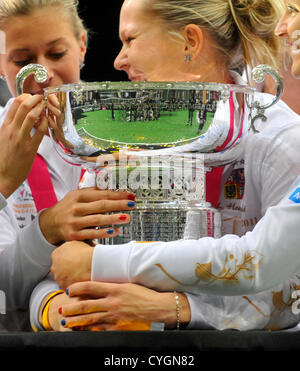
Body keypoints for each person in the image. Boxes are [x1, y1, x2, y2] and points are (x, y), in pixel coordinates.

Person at [31, 0, 300, 332]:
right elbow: (68, 266)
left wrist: (180, 308)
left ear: (189, 41)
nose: (118, 60)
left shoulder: (276, 134)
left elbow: (291, 290)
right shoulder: (126, 138)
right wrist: (54, 306)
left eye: (130, 40)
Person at [0, 0, 138, 331]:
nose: (42, 74)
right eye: (23, 60)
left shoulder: (134, 132)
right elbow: (4, 289)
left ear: (82, 46)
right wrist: (47, 227)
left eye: (57, 53)